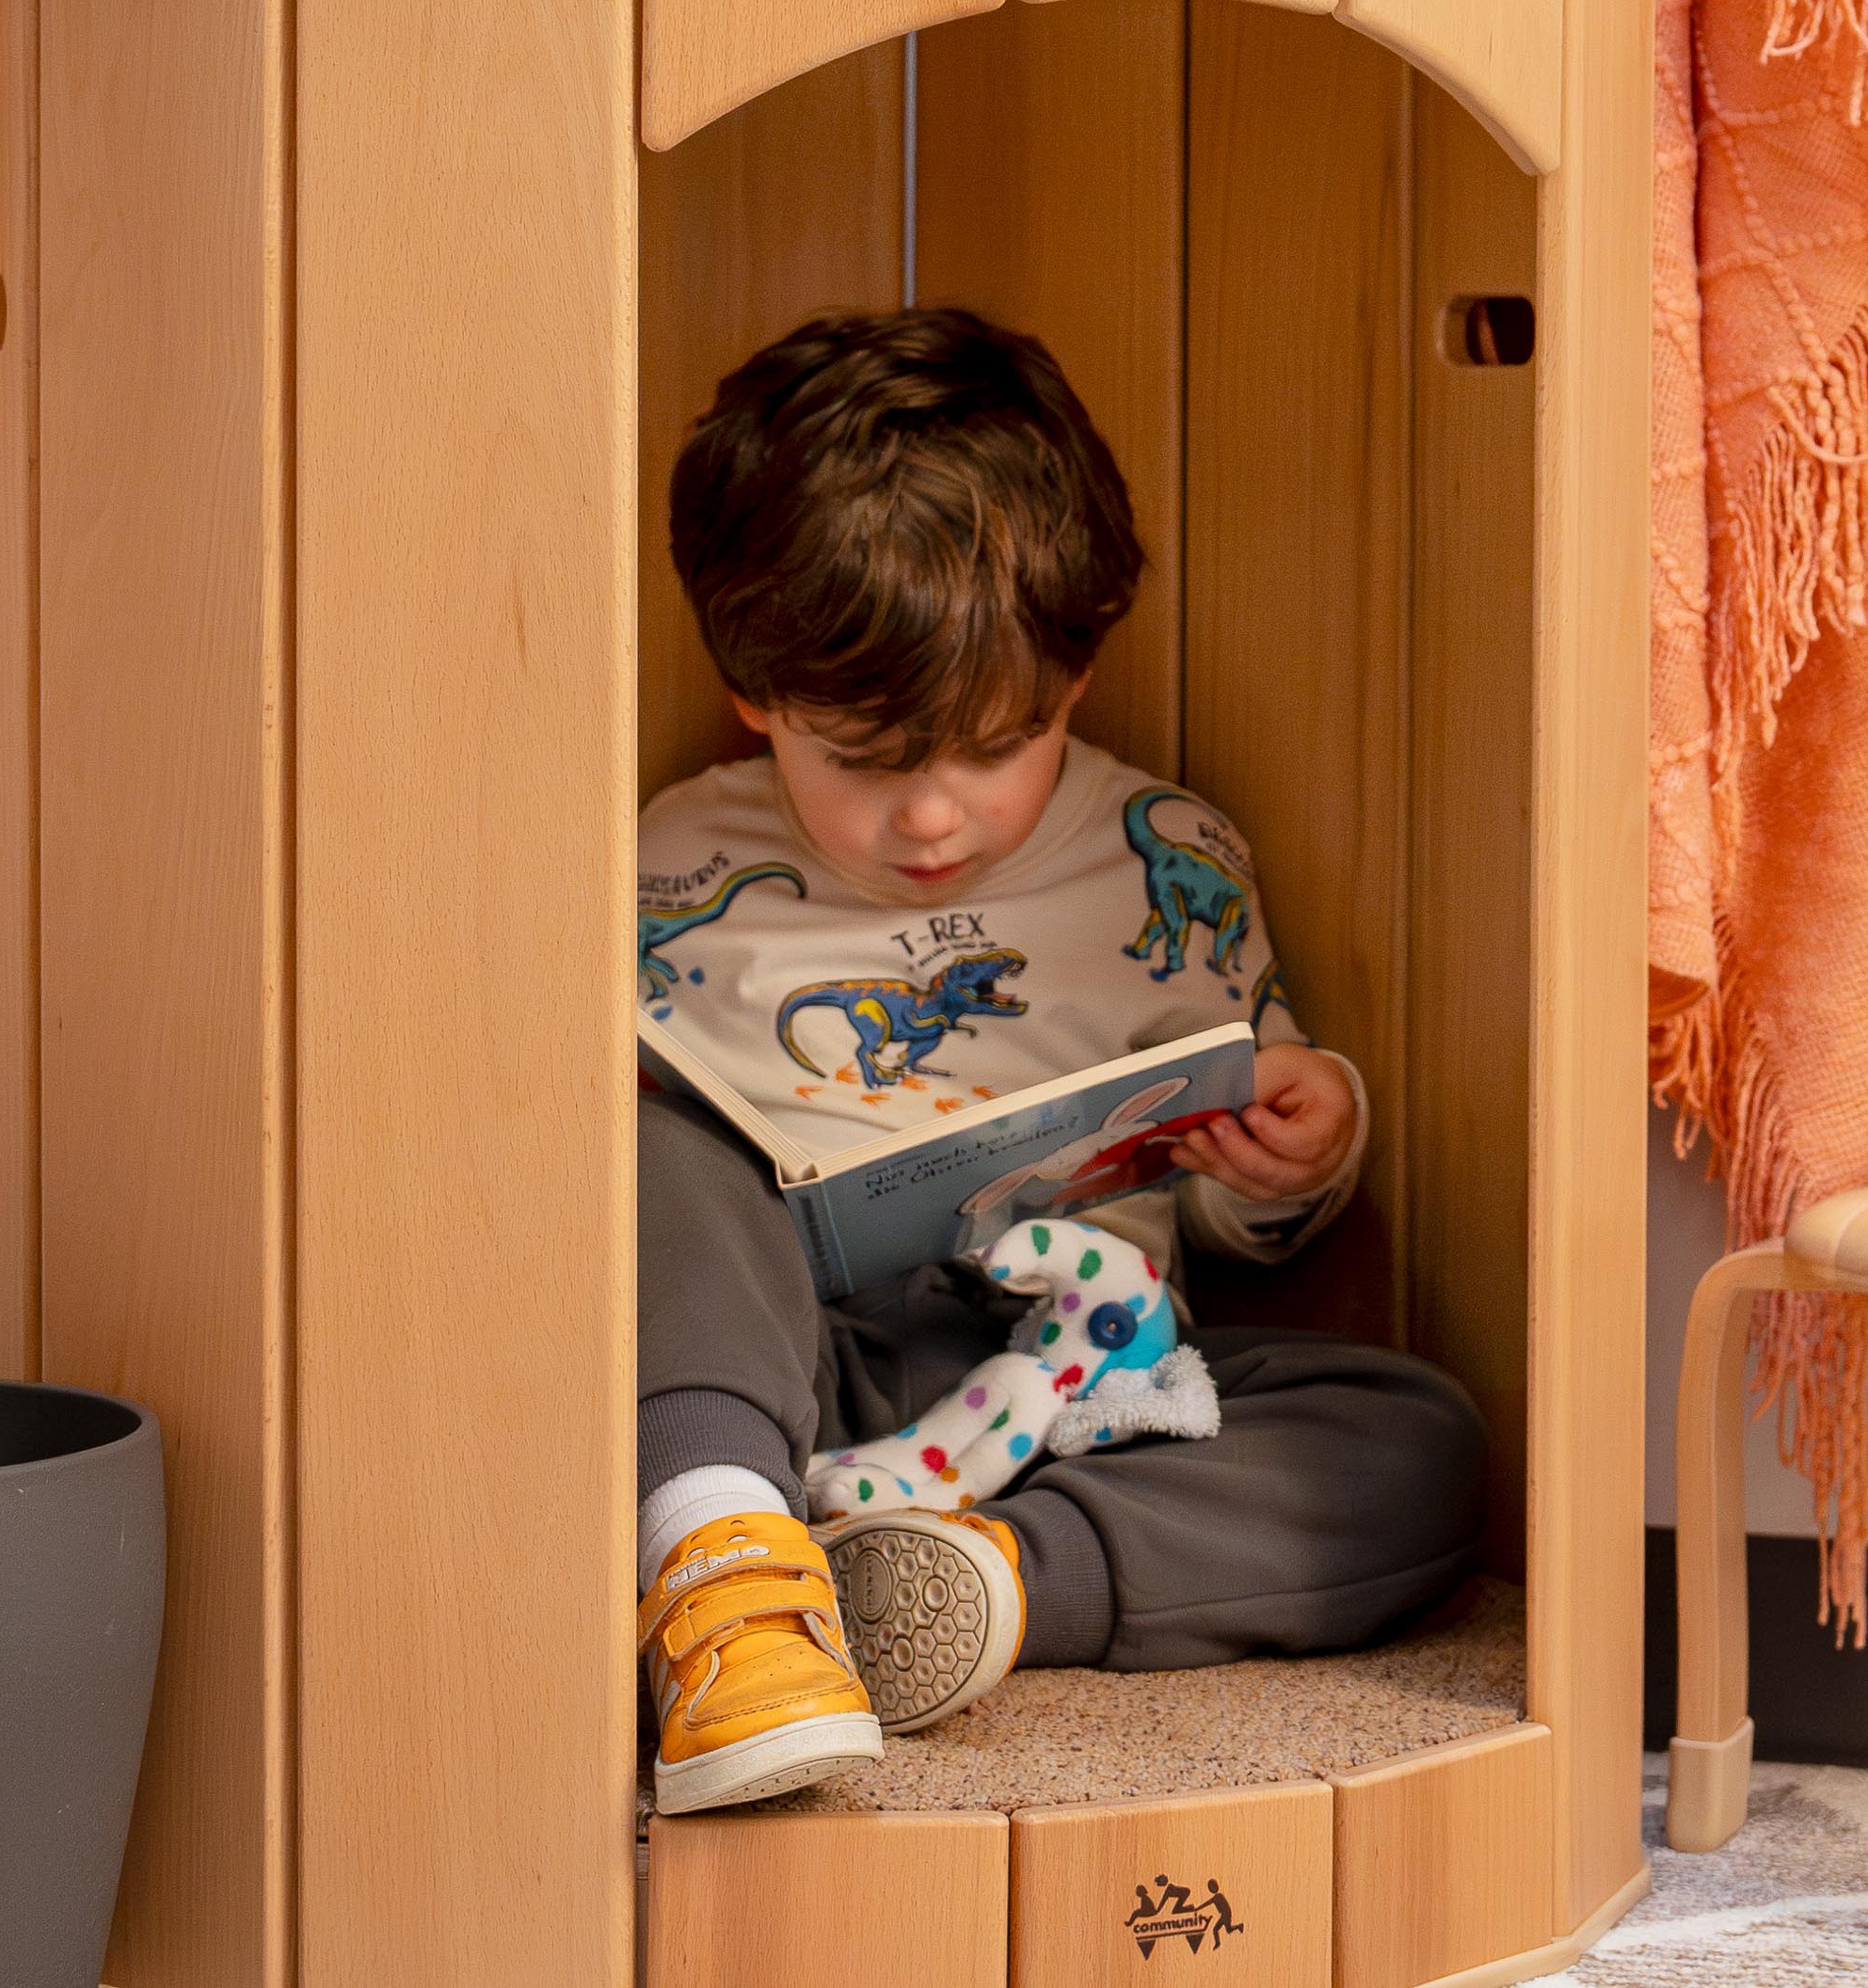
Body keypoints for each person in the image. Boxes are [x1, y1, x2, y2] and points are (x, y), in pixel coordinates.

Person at [636, 307, 1487, 1816]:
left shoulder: (1168, 858)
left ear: (1076, 679)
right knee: (648, 1158)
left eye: (991, 746)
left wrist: (1298, 1148)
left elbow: (1237, 1183)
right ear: (755, 692)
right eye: (869, 761)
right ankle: (726, 1566)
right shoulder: (668, 860)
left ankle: (973, 1589)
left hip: (1077, 1385)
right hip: (781, 1370)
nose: (933, 818)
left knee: (1416, 1438)